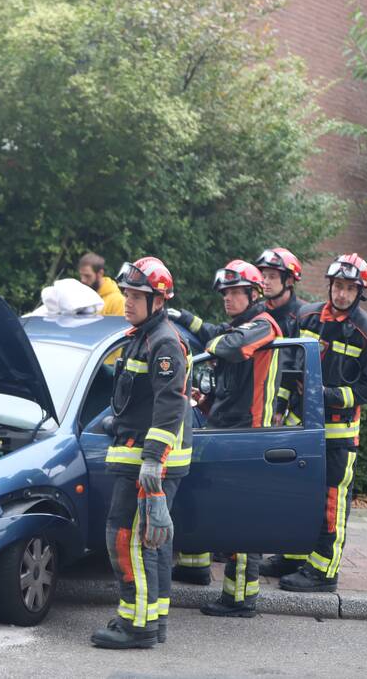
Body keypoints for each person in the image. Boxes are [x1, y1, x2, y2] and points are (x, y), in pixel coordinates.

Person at [169, 259, 282, 617]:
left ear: (253, 294)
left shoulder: (264, 325)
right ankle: (201, 572)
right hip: (226, 431)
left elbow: (229, 347)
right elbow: (217, 333)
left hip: (248, 436)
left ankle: (240, 598)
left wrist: (209, 344)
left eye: (235, 293)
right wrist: (185, 318)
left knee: (242, 518)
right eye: (225, 293)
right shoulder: (240, 324)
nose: (228, 299)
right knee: (221, 510)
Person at [91, 257, 193, 650]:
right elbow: (140, 399)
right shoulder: (141, 335)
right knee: (152, 543)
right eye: (127, 294)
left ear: (158, 300)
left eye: (137, 296)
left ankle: (136, 625)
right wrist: (117, 422)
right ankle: (153, 621)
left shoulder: (163, 341)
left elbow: (171, 403)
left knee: (124, 538)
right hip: (141, 453)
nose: (128, 302)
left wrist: (152, 457)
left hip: (149, 462)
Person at [273, 254, 367, 593]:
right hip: (300, 427)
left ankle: (323, 572)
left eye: (349, 289)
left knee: (331, 503)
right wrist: (279, 403)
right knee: (296, 495)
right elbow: (288, 362)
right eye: (338, 286)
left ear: (360, 292)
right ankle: (292, 557)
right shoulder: (306, 317)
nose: (341, 294)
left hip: (338, 436)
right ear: (330, 285)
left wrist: (330, 395)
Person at [254, 247, 304, 427]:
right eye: (263, 275)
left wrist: (279, 405)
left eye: (272, 277)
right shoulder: (257, 312)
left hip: (289, 410)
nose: (265, 282)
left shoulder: (303, 316)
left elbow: (292, 364)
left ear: (289, 280)